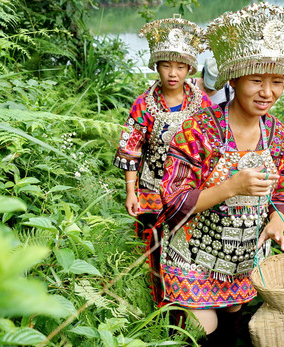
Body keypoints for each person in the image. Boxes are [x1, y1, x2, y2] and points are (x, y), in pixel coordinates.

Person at [158, 3, 284, 346]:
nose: (267, 92)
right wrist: (231, 186)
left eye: (277, 82)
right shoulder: (199, 130)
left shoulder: (278, 135)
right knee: (199, 331)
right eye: (256, 81)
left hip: (244, 257)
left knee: (234, 325)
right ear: (233, 79)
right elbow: (172, 201)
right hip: (192, 257)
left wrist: (276, 221)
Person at [112, 15, 212, 303]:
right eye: (166, 65)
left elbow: (213, 147)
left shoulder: (202, 104)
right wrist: (131, 192)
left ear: (189, 68)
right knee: (155, 249)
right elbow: (130, 149)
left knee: (190, 246)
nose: (173, 73)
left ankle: (193, 300)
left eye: (180, 67)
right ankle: (158, 304)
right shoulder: (143, 104)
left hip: (193, 190)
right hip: (151, 189)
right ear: (156, 66)